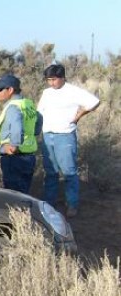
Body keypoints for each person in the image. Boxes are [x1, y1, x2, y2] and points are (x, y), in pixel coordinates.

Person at [37, 64, 100, 218]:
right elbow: (40, 112)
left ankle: (72, 204)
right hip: (47, 135)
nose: (51, 83)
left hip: (64, 135)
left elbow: (94, 102)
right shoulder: (47, 93)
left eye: (54, 79)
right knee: (50, 171)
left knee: (69, 172)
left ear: (62, 77)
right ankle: (49, 203)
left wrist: (79, 115)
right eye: (48, 80)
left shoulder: (73, 91)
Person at [0, 74, 42, 194]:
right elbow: (39, 120)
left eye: (0, 89)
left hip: (14, 158)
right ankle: (24, 212)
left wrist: (13, 145)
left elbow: (16, 125)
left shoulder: (13, 107)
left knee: (14, 196)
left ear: (10, 90)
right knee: (24, 193)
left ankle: (18, 213)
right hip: (29, 156)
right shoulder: (28, 105)